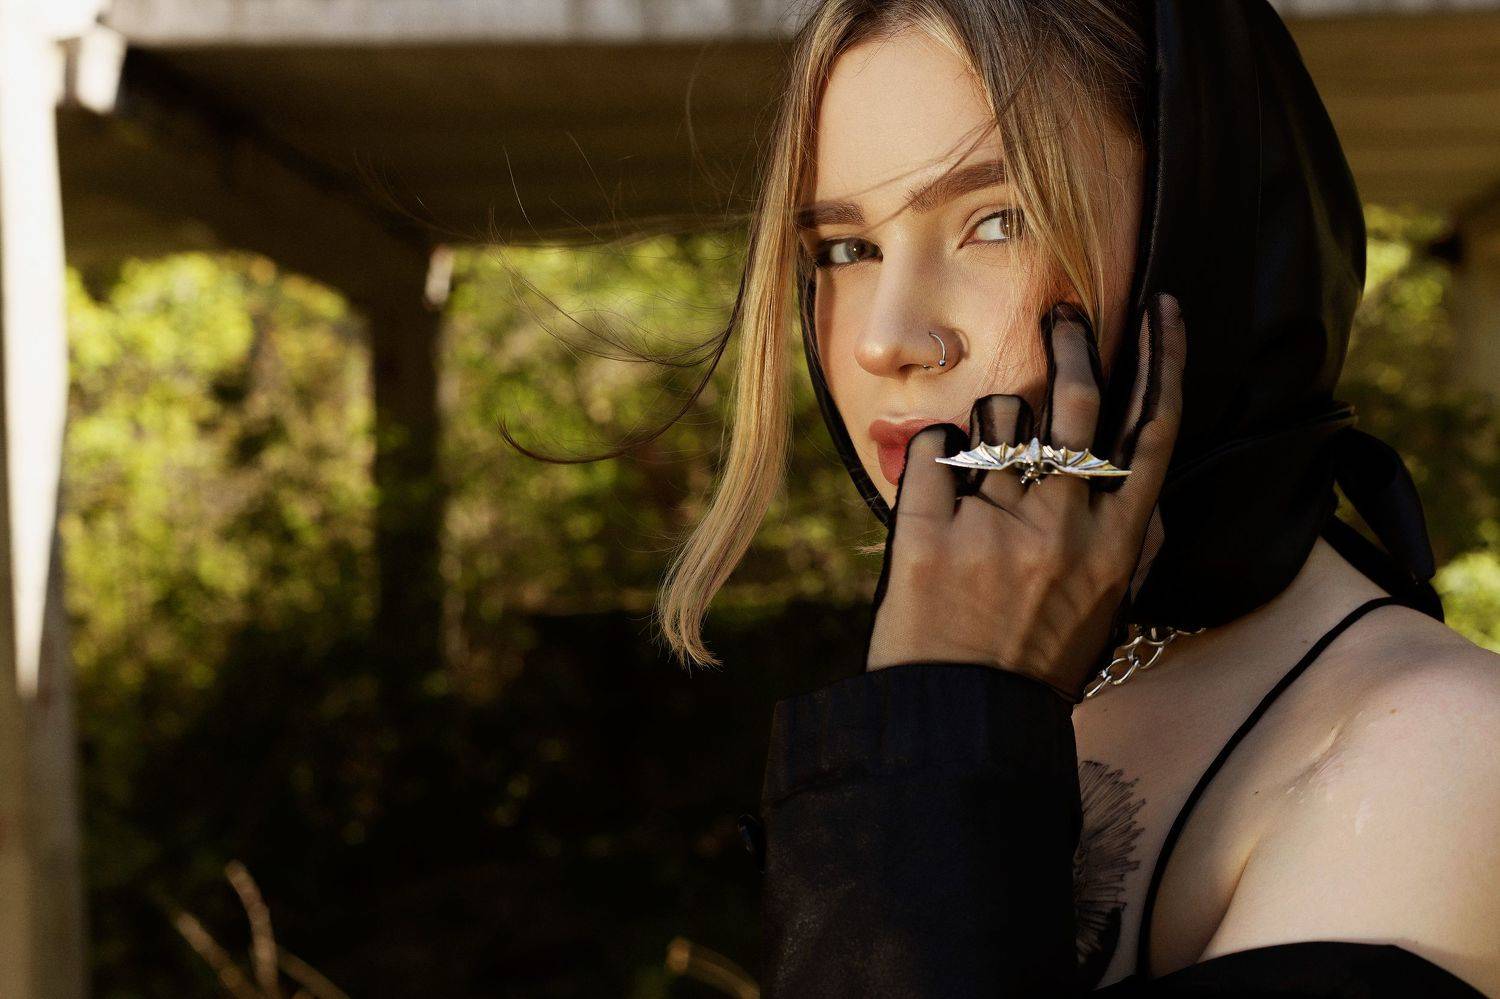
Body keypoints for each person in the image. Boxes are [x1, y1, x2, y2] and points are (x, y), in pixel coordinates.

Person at [634, 0, 1500, 994]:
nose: (883, 338)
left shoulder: (1443, 757)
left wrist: (937, 730)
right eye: (844, 248)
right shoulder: (1034, 664)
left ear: (1207, 242)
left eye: (998, 222)